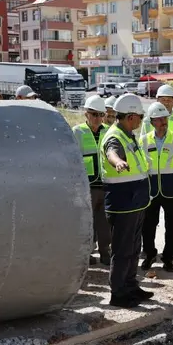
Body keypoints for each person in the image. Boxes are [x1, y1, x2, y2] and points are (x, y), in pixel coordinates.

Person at [101, 93, 153, 308]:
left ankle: (131, 286)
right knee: (122, 250)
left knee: (133, 247)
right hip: (123, 202)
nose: (141, 121)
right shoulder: (115, 136)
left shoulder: (128, 134)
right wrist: (118, 162)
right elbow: (111, 152)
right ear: (131, 116)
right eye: (139, 117)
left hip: (136, 201)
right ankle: (118, 293)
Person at [139, 102, 173, 272]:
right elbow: (140, 163)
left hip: (172, 188)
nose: (163, 122)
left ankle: (168, 257)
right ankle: (149, 254)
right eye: (159, 119)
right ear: (152, 122)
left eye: (165, 118)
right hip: (151, 189)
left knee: (172, 225)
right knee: (148, 225)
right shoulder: (143, 140)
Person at [73, 95, 111, 266]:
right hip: (85, 187)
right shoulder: (77, 132)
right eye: (93, 114)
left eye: (100, 114)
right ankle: (86, 254)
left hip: (104, 184)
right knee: (86, 224)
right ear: (86, 114)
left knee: (104, 223)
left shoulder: (108, 132)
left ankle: (105, 252)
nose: (97, 118)